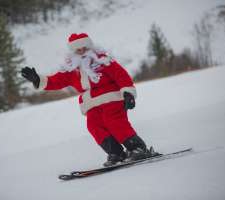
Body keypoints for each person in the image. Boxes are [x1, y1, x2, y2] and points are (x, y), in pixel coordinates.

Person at [21, 33, 154, 167]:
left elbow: (121, 75)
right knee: (93, 125)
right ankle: (116, 153)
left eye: (85, 48)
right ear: (73, 52)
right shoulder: (71, 69)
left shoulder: (103, 60)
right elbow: (56, 81)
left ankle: (138, 148)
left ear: (90, 47)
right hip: (91, 103)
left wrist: (128, 93)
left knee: (113, 121)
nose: (82, 52)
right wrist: (38, 80)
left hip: (111, 98)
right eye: (78, 50)